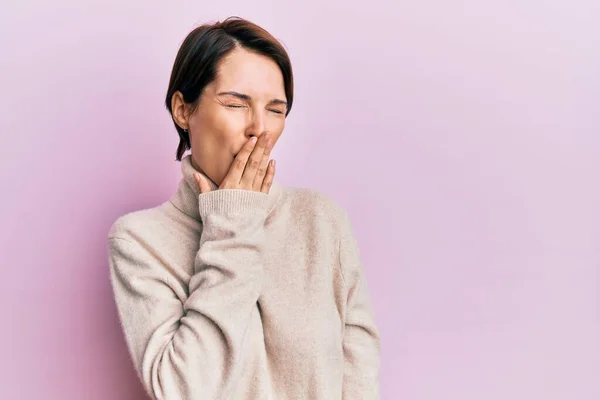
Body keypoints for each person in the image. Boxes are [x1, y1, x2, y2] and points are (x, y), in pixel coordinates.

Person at [107, 16, 380, 400]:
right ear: (182, 110)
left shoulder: (322, 221)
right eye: (236, 103)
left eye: (275, 109)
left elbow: (361, 377)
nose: (258, 128)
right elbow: (185, 390)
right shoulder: (139, 241)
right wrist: (232, 221)